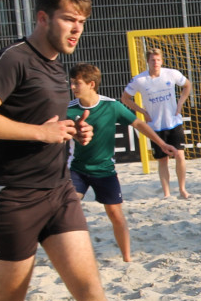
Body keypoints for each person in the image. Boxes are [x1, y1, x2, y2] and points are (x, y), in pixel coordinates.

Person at [0, 0, 166, 301]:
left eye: (81, 22)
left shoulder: (56, 68)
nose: (76, 29)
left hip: (58, 192)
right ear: (43, 18)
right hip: (10, 196)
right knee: (9, 297)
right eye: (68, 19)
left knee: (89, 287)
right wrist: (40, 133)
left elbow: (47, 119)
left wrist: (70, 131)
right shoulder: (14, 59)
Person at [67, 63, 176, 262]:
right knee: (68, 209)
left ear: (91, 84)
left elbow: (139, 124)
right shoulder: (68, 109)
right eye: (72, 83)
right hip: (76, 169)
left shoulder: (111, 106)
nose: (72, 87)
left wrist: (161, 143)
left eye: (77, 83)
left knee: (115, 215)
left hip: (104, 170)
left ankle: (127, 258)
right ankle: (74, 256)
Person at [122, 47, 191, 199]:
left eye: (158, 59)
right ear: (148, 61)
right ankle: (166, 193)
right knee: (163, 160)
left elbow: (187, 85)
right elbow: (125, 98)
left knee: (180, 155)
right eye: (153, 60)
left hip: (174, 122)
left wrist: (180, 103)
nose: (156, 63)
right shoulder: (140, 80)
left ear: (161, 61)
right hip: (155, 126)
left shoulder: (171, 73)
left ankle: (182, 190)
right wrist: (142, 111)